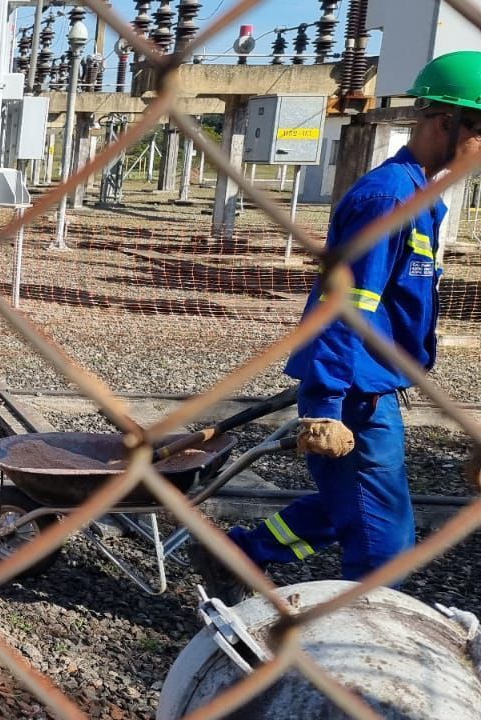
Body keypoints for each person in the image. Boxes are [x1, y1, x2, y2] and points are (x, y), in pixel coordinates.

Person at [193, 52, 481, 601]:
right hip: (354, 392)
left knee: (347, 505)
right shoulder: (388, 199)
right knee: (385, 548)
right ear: (446, 122)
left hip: (374, 385)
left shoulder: (421, 198)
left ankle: (242, 553)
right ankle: (354, 640)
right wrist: (325, 406)